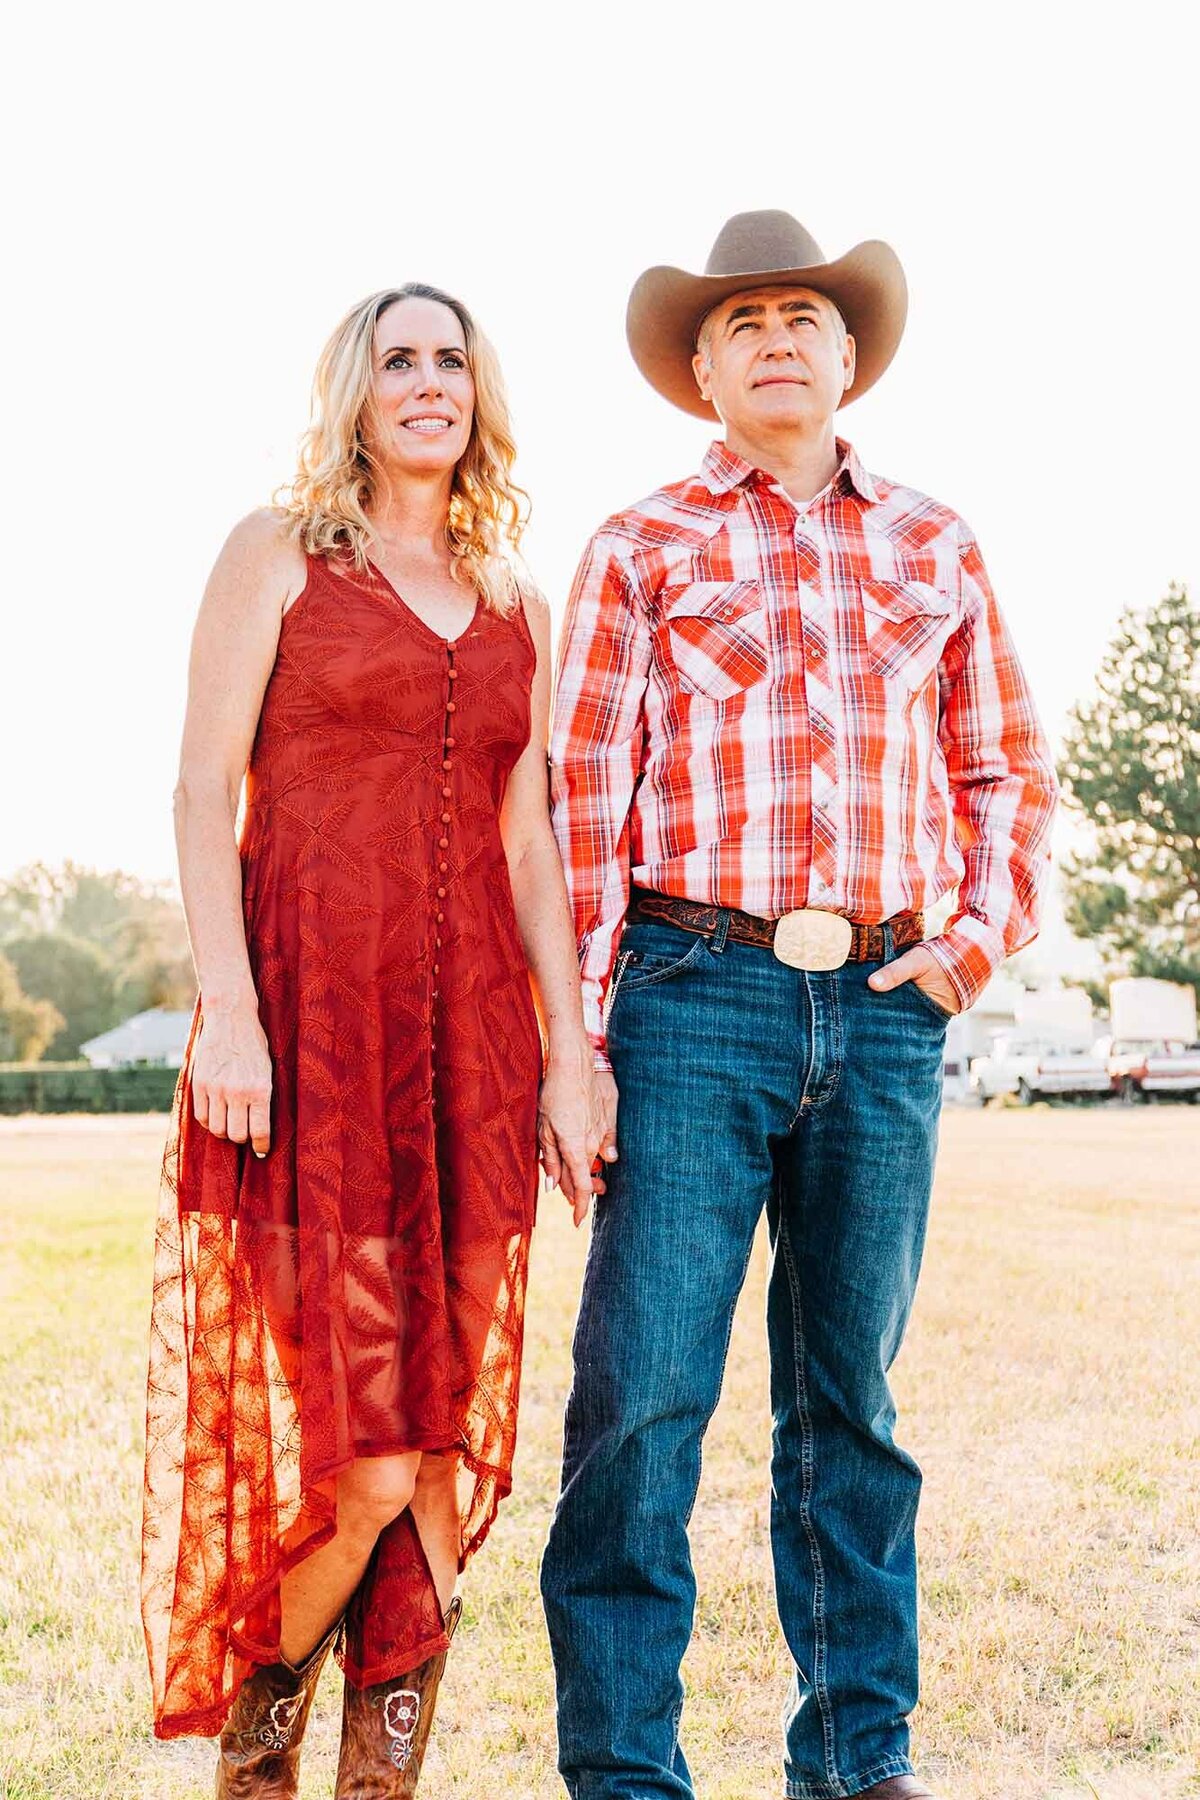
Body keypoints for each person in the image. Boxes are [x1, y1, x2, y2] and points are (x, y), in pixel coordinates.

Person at [542, 211, 1059, 1800]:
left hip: (889, 1010)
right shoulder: (640, 545)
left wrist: (967, 953)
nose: (777, 338)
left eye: (805, 318)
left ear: (848, 357)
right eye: (742, 321)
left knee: (854, 1407)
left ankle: (857, 1763)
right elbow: (580, 801)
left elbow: (1011, 774)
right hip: (695, 996)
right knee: (644, 1402)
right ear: (700, 371)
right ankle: (629, 1776)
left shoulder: (936, 539)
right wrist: (575, 1043)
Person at [141, 282, 605, 1797]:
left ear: (481, 396)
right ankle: (257, 1755)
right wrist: (228, 1008)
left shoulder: (520, 596)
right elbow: (202, 793)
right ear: (352, 389)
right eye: (398, 359)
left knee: (443, 1476)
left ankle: (367, 1784)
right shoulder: (273, 554)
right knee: (369, 1462)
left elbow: (530, 846)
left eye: (451, 362)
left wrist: (566, 1050)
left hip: (471, 1053)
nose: (428, 383)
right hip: (307, 1045)